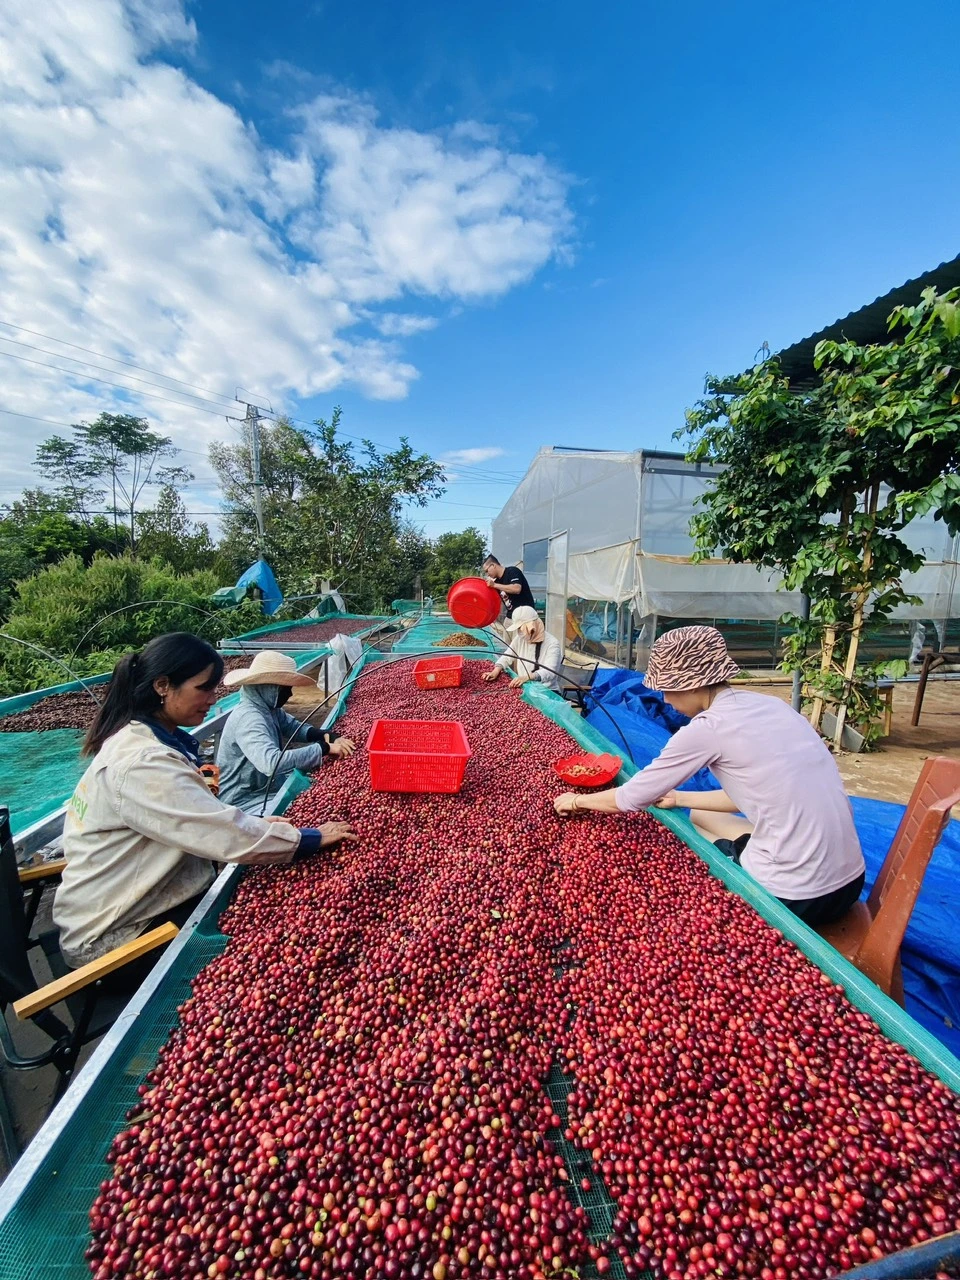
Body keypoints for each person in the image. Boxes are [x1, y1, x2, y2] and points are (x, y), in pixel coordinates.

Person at [53, 633, 357, 974]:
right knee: (270, 948)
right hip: (116, 937)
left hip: (141, 902)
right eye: (203, 688)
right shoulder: (142, 763)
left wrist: (259, 824)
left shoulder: (147, 740)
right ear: (163, 686)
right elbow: (224, 834)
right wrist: (311, 838)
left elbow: (199, 816)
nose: (213, 698)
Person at [554, 625, 865, 926]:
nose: (664, 700)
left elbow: (632, 797)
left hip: (795, 896)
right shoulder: (772, 706)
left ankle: (736, 865)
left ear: (689, 684)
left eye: (667, 689)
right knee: (699, 815)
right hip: (850, 882)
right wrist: (679, 797)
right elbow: (751, 792)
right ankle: (750, 850)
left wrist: (577, 801)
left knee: (688, 861)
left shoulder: (709, 728)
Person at [216, 652, 356, 812]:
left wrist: (323, 735)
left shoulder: (267, 708)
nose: (289, 694)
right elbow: (271, 763)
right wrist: (323, 748)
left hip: (267, 786)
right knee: (309, 810)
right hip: (242, 800)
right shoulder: (249, 718)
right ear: (267, 686)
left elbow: (292, 727)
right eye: (285, 688)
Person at [481, 605, 563, 692]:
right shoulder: (520, 639)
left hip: (547, 691)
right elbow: (507, 655)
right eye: (518, 629)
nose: (520, 632)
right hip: (526, 688)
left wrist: (527, 677)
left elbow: (550, 672)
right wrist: (496, 670)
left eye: (521, 628)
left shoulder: (552, 644)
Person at [482, 554, 536, 620]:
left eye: (487, 571)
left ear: (493, 565)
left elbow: (517, 589)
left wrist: (494, 585)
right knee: (505, 628)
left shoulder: (512, 571)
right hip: (511, 615)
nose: (487, 574)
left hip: (525, 614)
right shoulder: (497, 581)